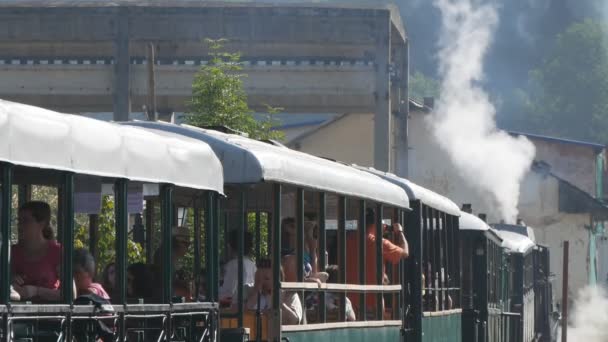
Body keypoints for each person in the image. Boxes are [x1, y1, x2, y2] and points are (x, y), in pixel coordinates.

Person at [345, 208, 409, 318]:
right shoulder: (379, 242)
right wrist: (400, 232)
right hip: (374, 304)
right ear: (376, 224)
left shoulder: (348, 240)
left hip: (351, 303)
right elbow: (405, 253)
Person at [11, 201, 66, 301]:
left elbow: (70, 294)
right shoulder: (12, 252)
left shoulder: (56, 252)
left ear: (42, 224)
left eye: (26, 221)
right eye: (19, 221)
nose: (20, 226)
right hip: (17, 314)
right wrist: (10, 283)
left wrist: (36, 291)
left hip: (50, 315)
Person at [245, 258, 302, 325]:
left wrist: (279, 303)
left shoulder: (289, 295)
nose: (261, 281)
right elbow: (239, 313)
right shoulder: (247, 290)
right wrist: (256, 291)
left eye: (266, 278)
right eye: (258, 277)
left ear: (277, 278)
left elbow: (294, 321)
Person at [219, 229, 257, 305]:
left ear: (230, 246)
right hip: (251, 305)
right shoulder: (252, 264)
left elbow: (228, 292)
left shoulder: (233, 265)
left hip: (236, 308)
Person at [153, 226, 192, 299]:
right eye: (186, 244)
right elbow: (165, 281)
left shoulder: (170, 255)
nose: (187, 248)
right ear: (177, 243)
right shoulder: (166, 255)